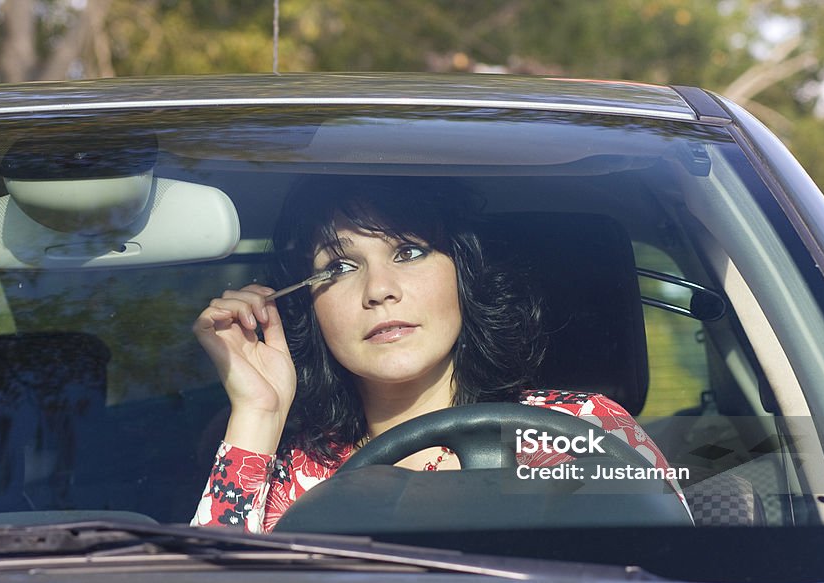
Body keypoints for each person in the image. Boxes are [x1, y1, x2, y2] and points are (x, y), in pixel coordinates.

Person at [191, 177, 688, 532]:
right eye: (340, 266)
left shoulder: (581, 432)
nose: (379, 289)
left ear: (462, 277)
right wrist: (259, 413)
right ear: (310, 307)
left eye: (408, 252)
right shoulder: (287, 467)